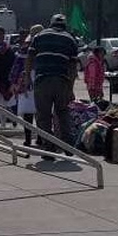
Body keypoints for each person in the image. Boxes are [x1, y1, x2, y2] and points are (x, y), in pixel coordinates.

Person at [27, 15, 79, 155]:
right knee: (63, 113)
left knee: (43, 116)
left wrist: (27, 77)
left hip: (42, 80)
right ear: (64, 25)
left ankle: (49, 146)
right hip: (62, 81)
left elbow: (30, 57)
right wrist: (70, 88)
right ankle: (68, 146)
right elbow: (73, 67)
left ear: (50, 24)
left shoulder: (39, 36)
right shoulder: (70, 39)